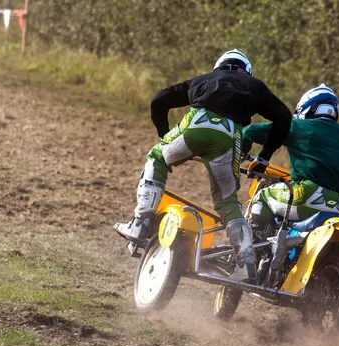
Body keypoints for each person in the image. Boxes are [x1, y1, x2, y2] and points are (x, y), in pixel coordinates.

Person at [114, 49, 292, 282]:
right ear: (246, 71)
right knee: (228, 202)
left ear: (219, 66)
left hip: (197, 124)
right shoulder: (255, 85)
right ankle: (245, 260)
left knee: (157, 158)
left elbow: (159, 100)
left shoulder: (203, 79)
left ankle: (140, 225)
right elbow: (284, 117)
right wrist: (264, 156)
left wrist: (165, 136)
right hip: (229, 137)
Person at [242, 84, 339, 235]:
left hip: (308, 196)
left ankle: (250, 251)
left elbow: (250, 131)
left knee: (262, 196)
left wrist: (241, 151)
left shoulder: (298, 125)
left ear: (305, 109)